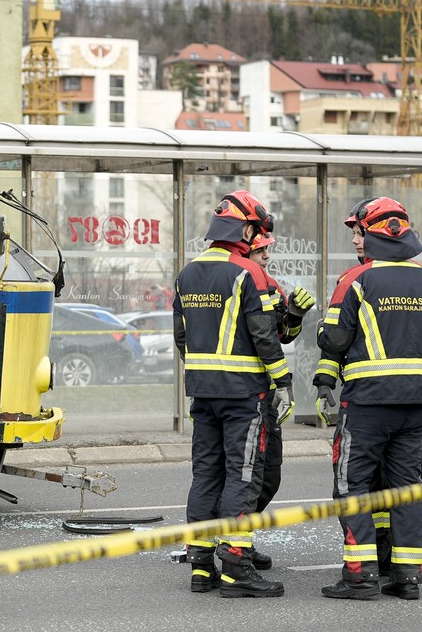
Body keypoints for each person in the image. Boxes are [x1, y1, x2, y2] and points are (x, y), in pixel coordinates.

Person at [316, 197, 422, 601]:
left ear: (375, 233)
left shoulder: (356, 280)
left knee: (353, 485)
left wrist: (325, 334)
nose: (354, 239)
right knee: (406, 487)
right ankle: (407, 576)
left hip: (368, 403)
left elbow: (333, 340)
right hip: (417, 404)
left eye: (359, 231)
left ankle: (359, 577)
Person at [173, 190, 293, 598]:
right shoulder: (248, 272)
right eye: (255, 230)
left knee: (206, 475)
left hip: (203, 391)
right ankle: (237, 569)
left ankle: (201, 566)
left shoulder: (187, 273)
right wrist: (283, 381)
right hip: (243, 395)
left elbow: (181, 337)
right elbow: (264, 336)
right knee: (242, 476)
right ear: (244, 230)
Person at [246, 232, 314, 570]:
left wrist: (295, 316)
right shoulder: (235, 281)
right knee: (238, 477)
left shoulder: (271, 286)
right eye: (260, 249)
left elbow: (281, 335)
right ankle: (231, 547)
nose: (266, 256)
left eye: (267, 250)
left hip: (266, 396)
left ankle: (235, 539)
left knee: (267, 476)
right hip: (241, 395)